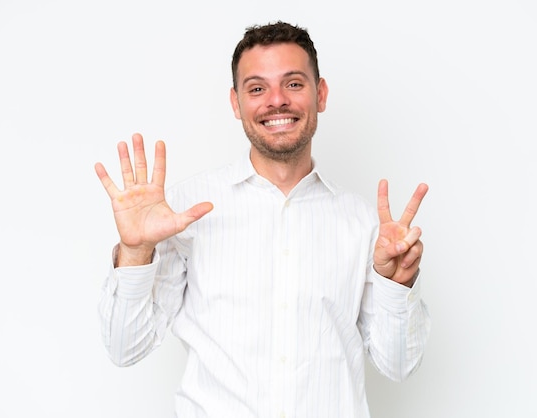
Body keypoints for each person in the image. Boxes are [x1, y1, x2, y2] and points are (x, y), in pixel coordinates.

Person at [95, 21, 430, 418]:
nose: (276, 101)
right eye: (257, 88)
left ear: (320, 95)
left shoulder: (364, 224)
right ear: (236, 103)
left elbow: (399, 365)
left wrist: (398, 283)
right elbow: (125, 347)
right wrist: (136, 251)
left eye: (293, 84)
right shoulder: (183, 212)